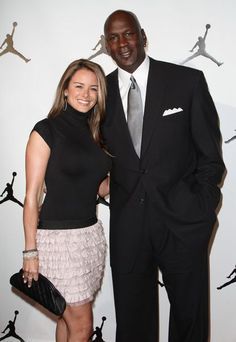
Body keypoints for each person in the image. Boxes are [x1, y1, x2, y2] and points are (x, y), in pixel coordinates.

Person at [102, 10, 225, 342]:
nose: (121, 43)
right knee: (133, 329)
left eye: (127, 34)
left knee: (190, 325)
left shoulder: (187, 82)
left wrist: (200, 211)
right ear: (106, 45)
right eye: (113, 37)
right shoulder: (99, 96)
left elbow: (211, 159)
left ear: (143, 37)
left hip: (183, 225)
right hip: (128, 231)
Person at [22, 59, 111, 342]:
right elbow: (32, 195)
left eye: (93, 89)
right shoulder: (46, 130)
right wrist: (30, 253)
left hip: (90, 237)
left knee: (66, 319)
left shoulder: (98, 134)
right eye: (79, 86)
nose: (86, 94)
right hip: (58, 241)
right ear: (65, 90)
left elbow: (99, 189)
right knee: (83, 326)